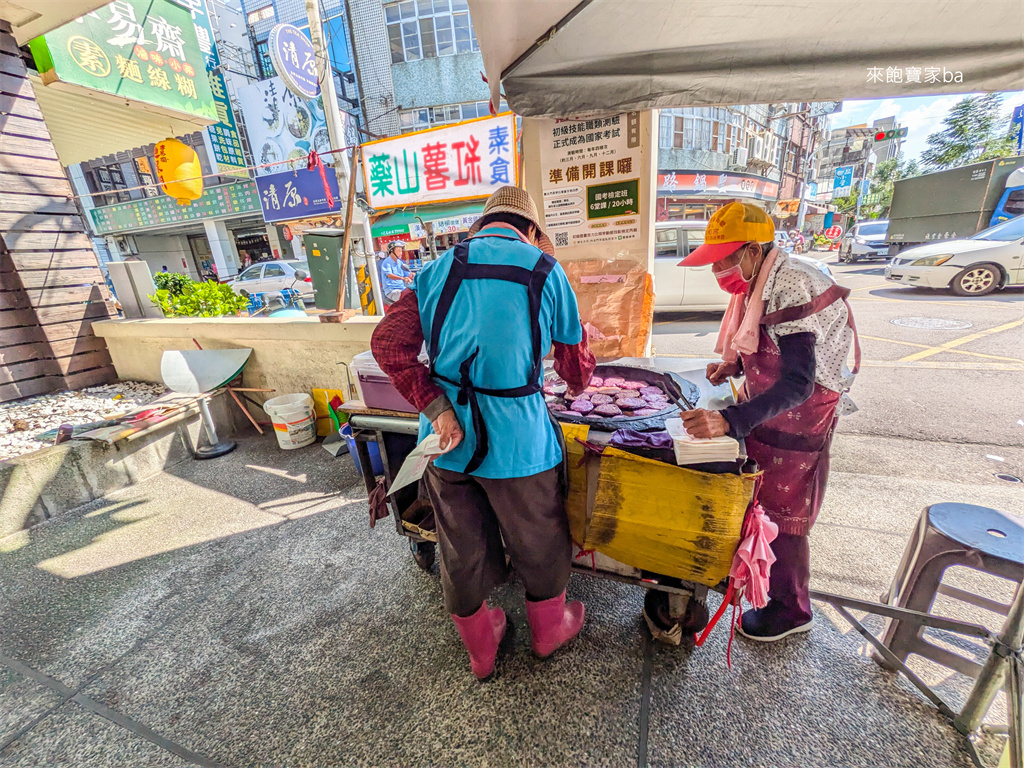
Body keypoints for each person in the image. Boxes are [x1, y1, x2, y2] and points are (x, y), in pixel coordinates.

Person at [371, 186, 596, 680]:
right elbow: (576, 373)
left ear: (478, 227)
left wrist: (438, 407)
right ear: (532, 230)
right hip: (519, 442)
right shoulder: (545, 269)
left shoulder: (434, 270)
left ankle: (482, 652)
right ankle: (547, 631)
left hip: (448, 442)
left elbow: (387, 344)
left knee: (460, 543)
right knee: (539, 539)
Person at [676, 202, 859, 643]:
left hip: (804, 409)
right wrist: (735, 368)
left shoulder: (794, 282)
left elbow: (798, 380)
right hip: (775, 401)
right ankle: (769, 588)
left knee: (786, 510)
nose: (719, 271)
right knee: (766, 502)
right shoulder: (763, 278)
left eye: (724, 260)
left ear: (754, 251)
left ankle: (792, 609)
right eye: (713, 262)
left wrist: (729, 420)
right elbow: (770, 343)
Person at [380, 241, 413, 305]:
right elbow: (389, 275)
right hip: (391, 290)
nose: (401, 253)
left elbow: (408, 274)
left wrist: (418, 274)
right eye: (398, 251)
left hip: (402, 288)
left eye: (401, 251)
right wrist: (403, 278)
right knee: (407, 297)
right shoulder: (386, 262)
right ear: (391, 251)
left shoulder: (400, 262)